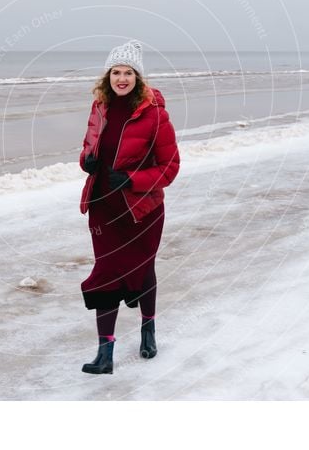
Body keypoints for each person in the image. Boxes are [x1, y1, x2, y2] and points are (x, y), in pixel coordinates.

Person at [78, 39, 180, 374]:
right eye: (116, 72)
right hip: (103, 208)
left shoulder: (155, 115)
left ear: (139, 78)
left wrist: (132, 180)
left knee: (142, 270)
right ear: (107, 76)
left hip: (141, 211)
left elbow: (170, 167)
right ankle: (104, 353)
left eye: (129, 72)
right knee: (106, 273)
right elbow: (86, 149)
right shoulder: (99, 109)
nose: (121, 78)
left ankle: (148, 331)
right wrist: (88, 162)